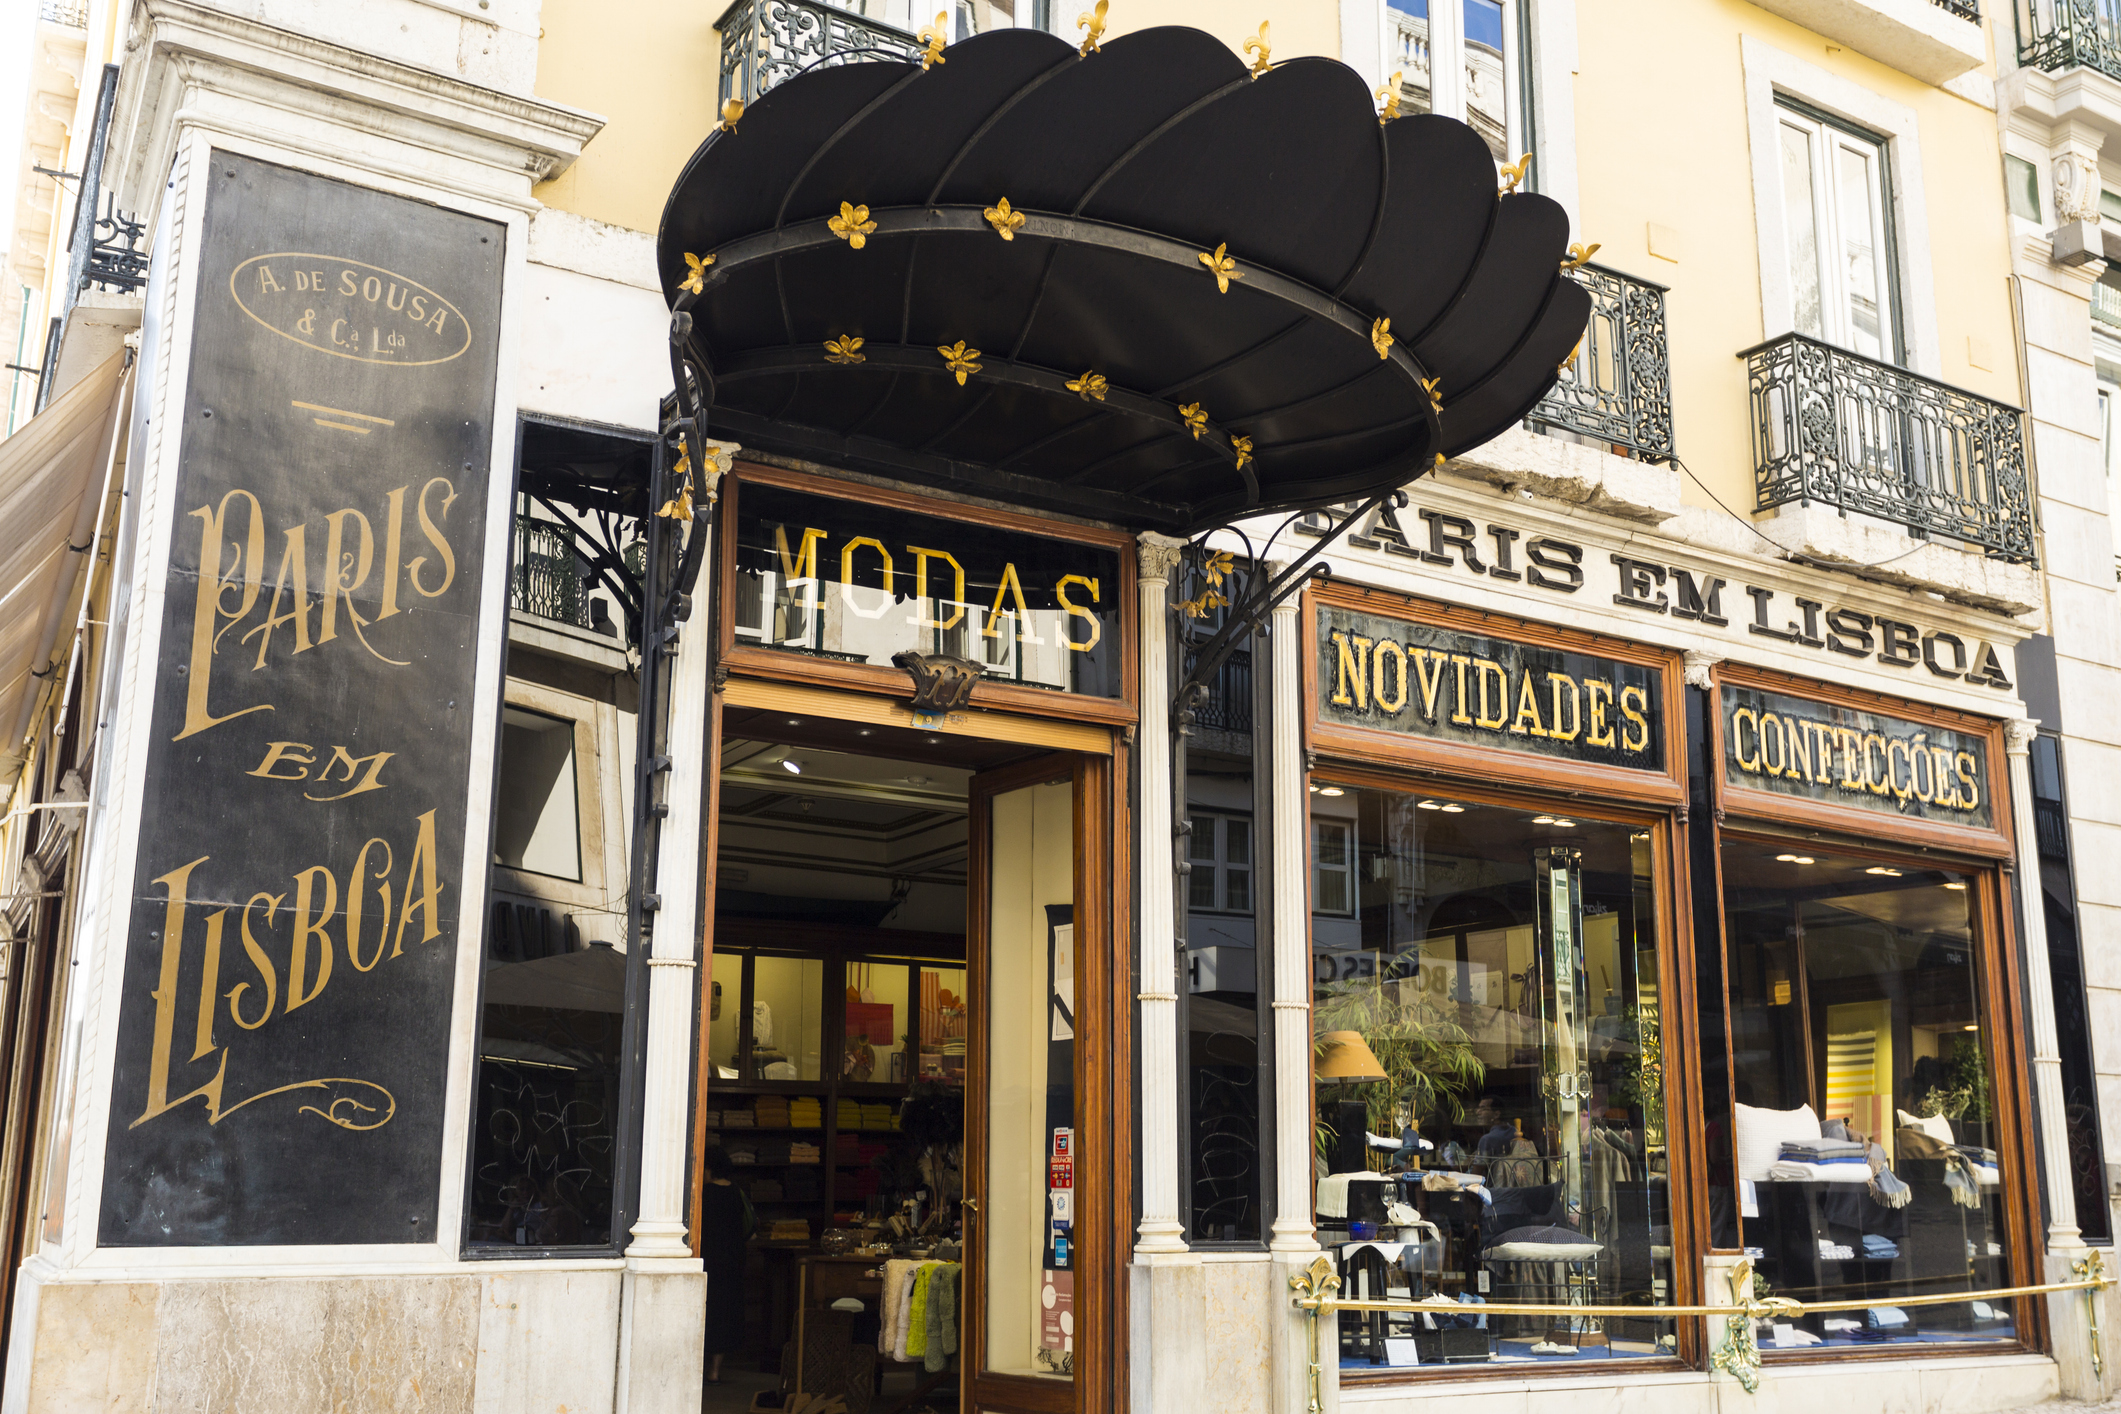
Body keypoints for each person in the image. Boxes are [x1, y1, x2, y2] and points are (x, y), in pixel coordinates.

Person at [699, 1145, 753, 1384]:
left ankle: (699, 1366)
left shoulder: (702, 1194)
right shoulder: (737, 1192)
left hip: (707, 1261)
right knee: (726, 1313)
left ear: (708, 1168)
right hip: (732, 1261)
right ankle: (715, 1370)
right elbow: (750, 1225)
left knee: (704, 1312)